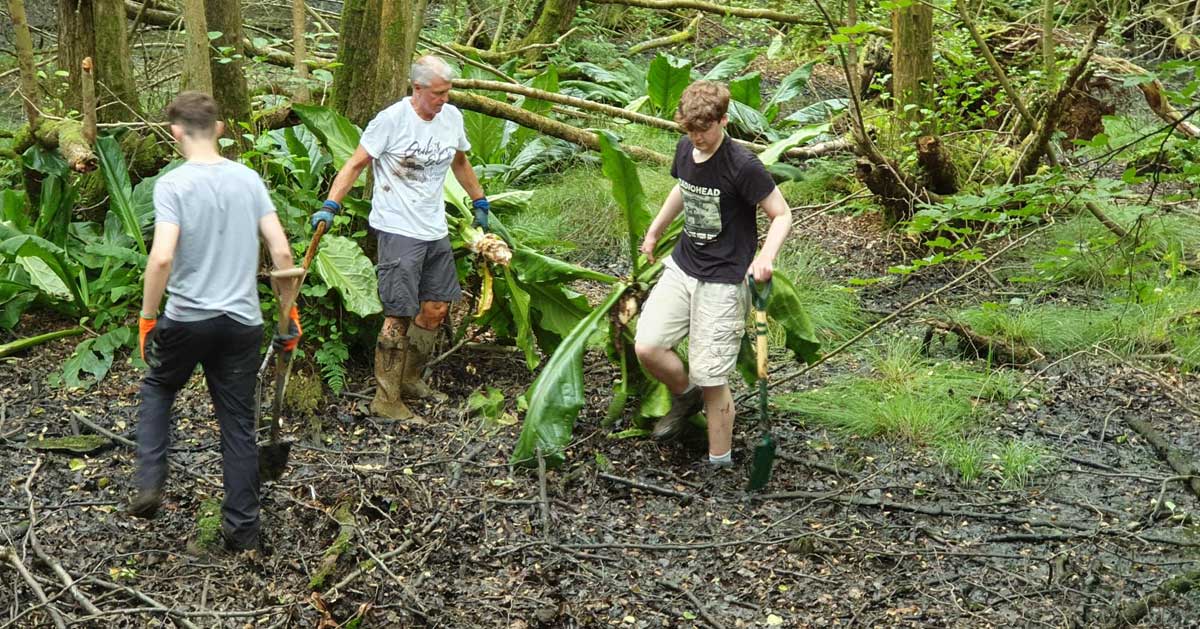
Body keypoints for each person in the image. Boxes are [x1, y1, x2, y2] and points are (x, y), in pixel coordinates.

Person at [129, 92, 300, 552]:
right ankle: (243, 531)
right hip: (242, 322)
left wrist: (148, 318)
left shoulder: (173, 185)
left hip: (187, 319)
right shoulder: (249, 180)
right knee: (238, 425)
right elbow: (282, 254)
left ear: (176, 132)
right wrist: (288, 316)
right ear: (220, 129)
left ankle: (149, 480)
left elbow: (162, 256)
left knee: (160, 387)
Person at [311, 55, 489, 420]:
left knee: (437, 308)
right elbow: (356, 163)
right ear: (418, 88)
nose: (445, 99)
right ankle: (386, 398)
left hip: (434, 228)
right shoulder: (391, 121)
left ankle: (409, 378)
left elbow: (460, 163)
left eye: (448, 92)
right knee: (398, 314)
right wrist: (331, 203)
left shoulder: (451, 118)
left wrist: (479, 200)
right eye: (438, 93)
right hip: (398, 229)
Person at [634, 81, 792, 469]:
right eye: (690, 130)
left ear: (723, 120)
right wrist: (655, 230)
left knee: (712, 378)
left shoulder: (743, 165)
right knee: (648, 346)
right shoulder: (687, 146)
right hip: (683, 266)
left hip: (722, 279)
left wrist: (765, 257)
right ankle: (684, 396)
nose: (697, 138)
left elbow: (782, 214)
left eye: (704, 130)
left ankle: (718, 463)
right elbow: (683, 188)